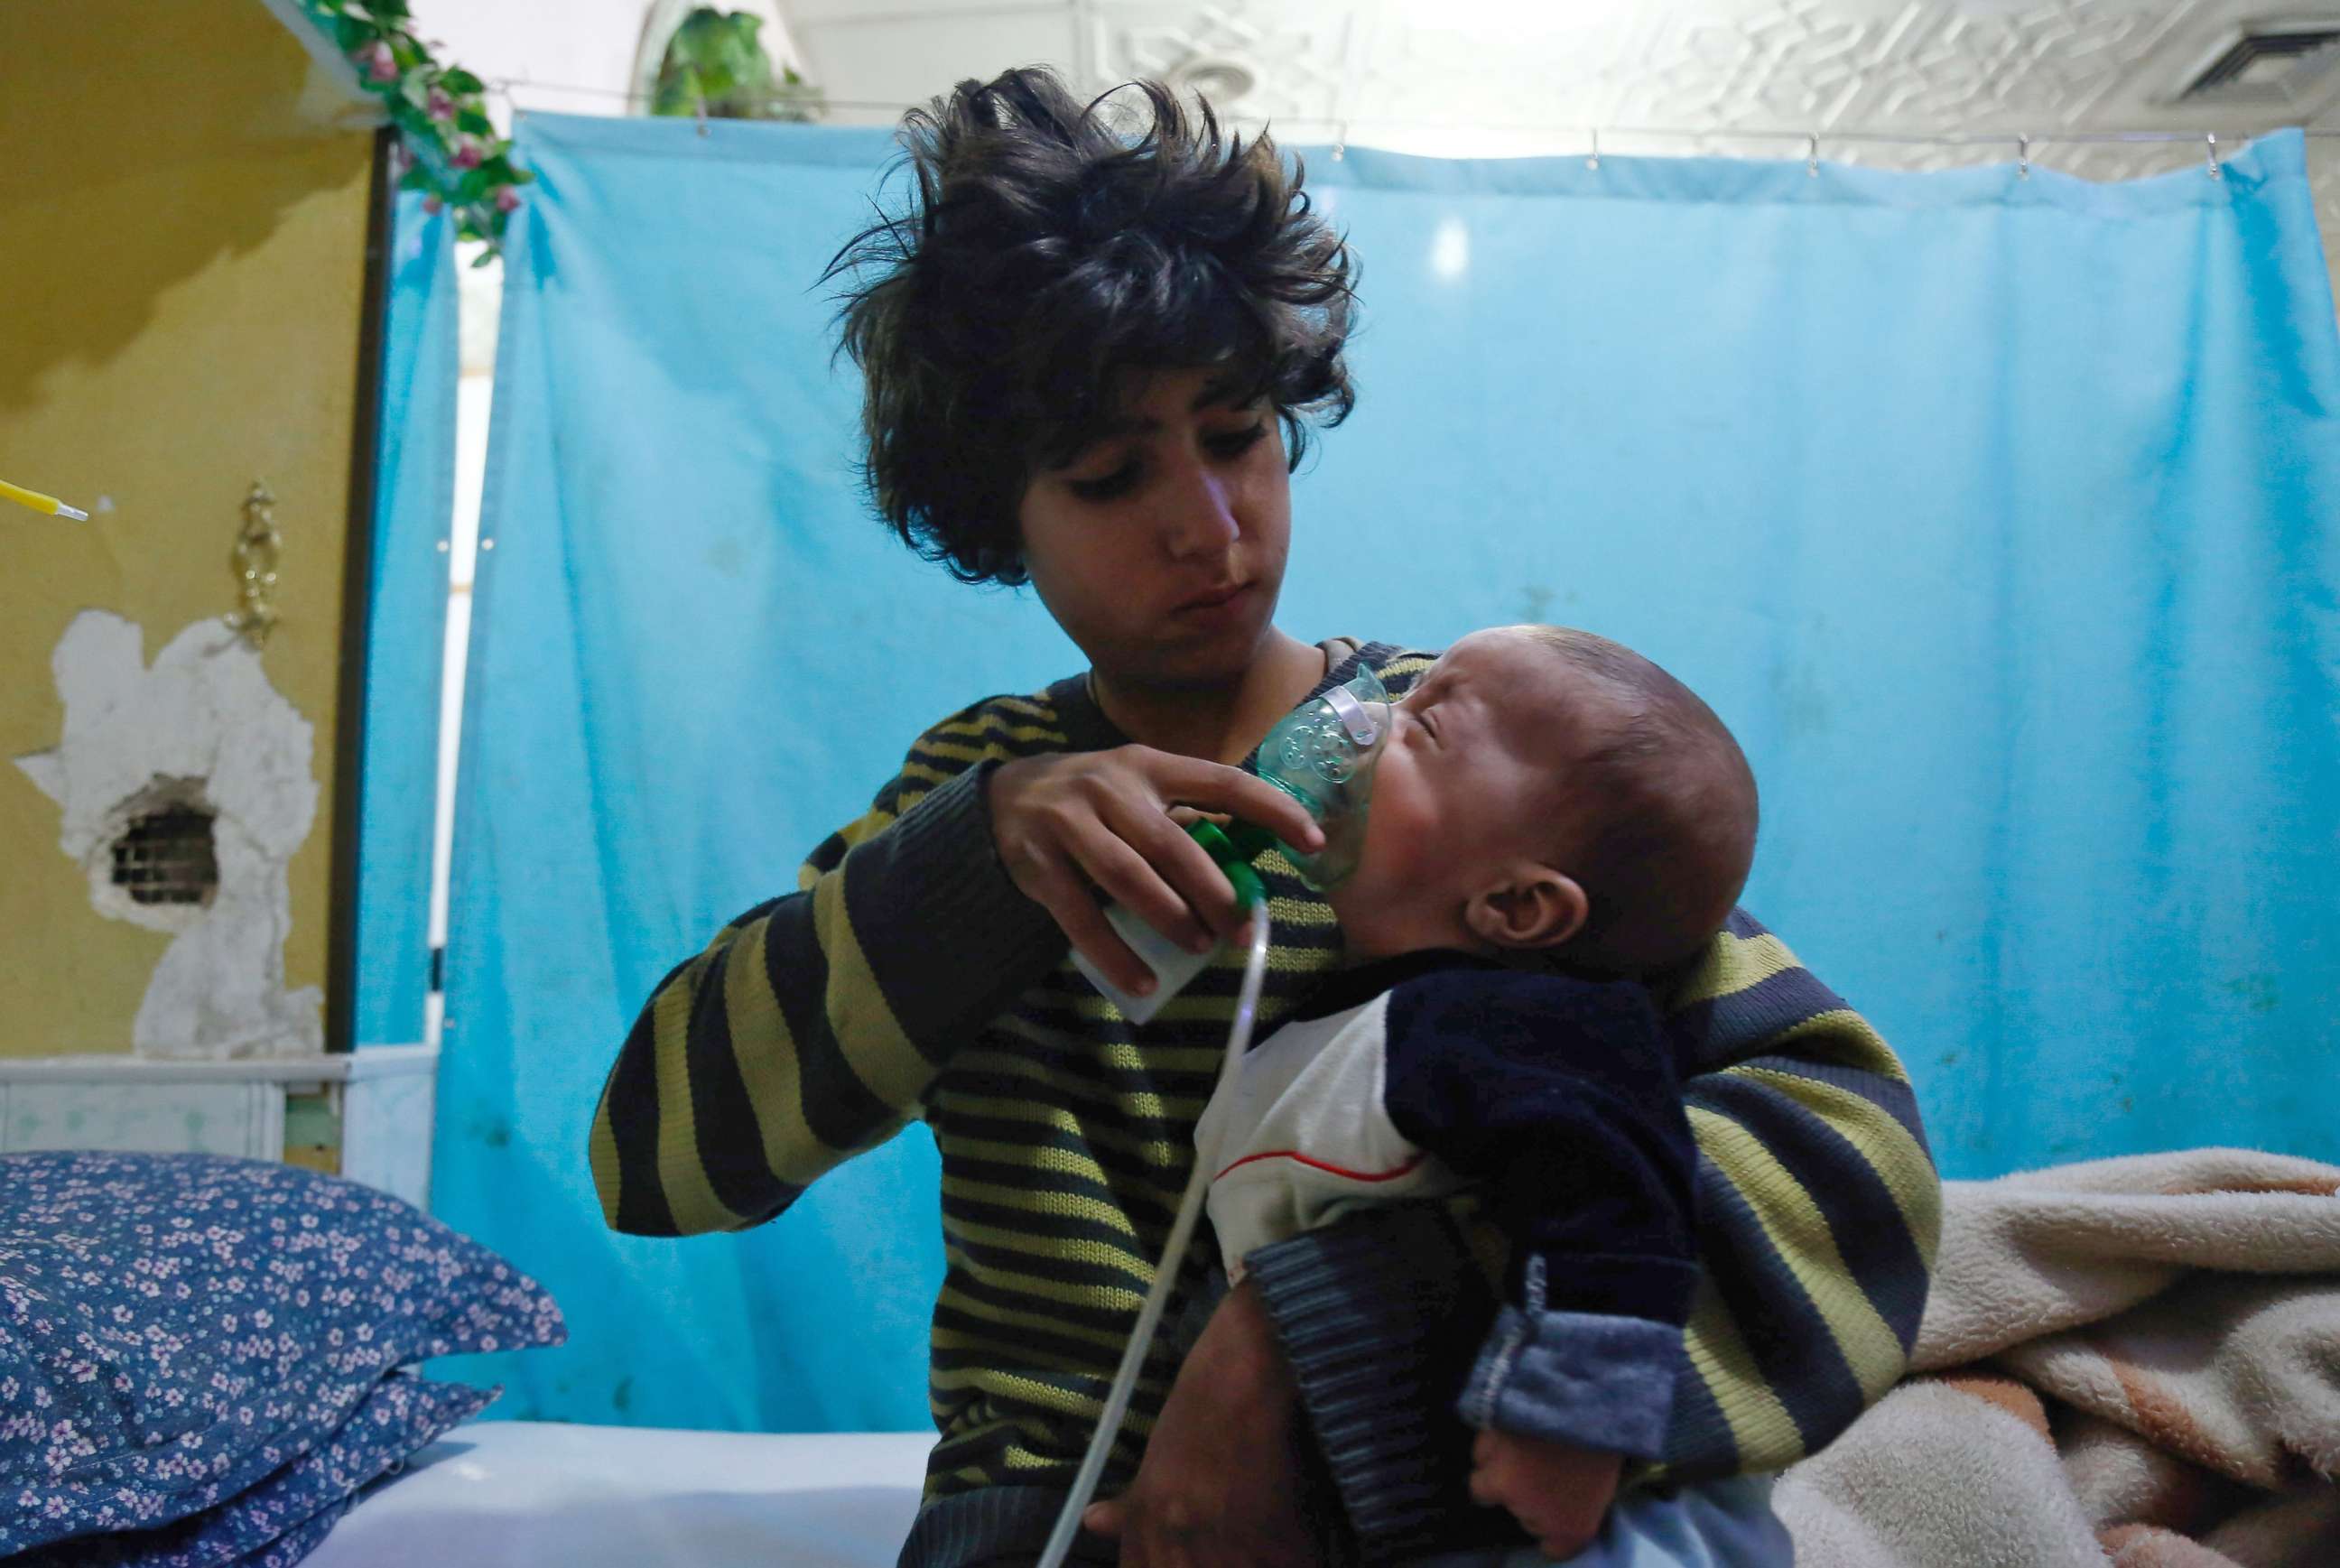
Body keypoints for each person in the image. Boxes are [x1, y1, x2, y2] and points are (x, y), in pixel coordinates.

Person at [588, 67, 1942, 1568]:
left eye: (1236, 436)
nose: (1210, 530)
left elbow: (1852, 1174)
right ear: (994, 514)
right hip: (1044, 1517)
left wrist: (1332, 1330)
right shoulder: (974, 805)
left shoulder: (1471, 777)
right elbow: (654, 1166)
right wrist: (974, 859)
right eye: (1109, 476)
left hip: (1401, 1502)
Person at [1193, 624, 1782, 1563]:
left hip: (1604, 1527)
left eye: (1425, 726)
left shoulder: (1513, 1022)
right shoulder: (1332, 1032)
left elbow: (1618, 1182)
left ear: (1516, 907)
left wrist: (1572, 1420)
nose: (1359, 716)